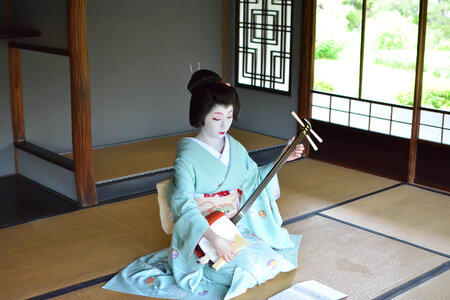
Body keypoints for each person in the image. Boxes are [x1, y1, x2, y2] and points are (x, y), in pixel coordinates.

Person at [103, 70, 303, 300]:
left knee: (273, 263)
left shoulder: (234, 147)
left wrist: (282, 159)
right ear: (200, 116)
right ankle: (203, 265)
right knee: (246, 272)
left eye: (229, 116)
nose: (224, 124)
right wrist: (214, 239)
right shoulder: (187, 157)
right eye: (217, 118)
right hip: (200, 235)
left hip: (230, 227)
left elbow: (254, 180)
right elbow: (183, 205)